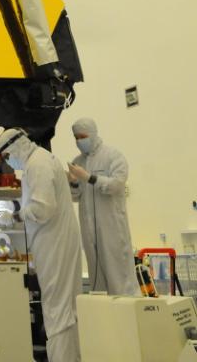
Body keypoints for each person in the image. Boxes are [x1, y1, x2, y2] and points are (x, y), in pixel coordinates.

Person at [0, 128, 81, 362]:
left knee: (57, 309)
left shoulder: (37, 164)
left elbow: (43, 209)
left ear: (16, 146)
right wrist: (16, 207)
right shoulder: (40, 160)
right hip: (57, 241)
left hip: (54, 243)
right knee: (66, 307)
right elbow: (39, 200)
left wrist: (15, 216)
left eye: (6, 156)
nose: (8, 161)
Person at [67, 117, 137, 296]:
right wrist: (73, 182)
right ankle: (102, 310)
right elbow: (75, 196)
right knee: (96, 276)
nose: (79, 141)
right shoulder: (78, 162)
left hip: (111, 227)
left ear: (93, 134)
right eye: (76, 137)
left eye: (82, 136)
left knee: (118, 275)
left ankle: (125, 308)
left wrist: (88, 177)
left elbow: (116, 185)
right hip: (89, 229)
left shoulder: (113, 156)